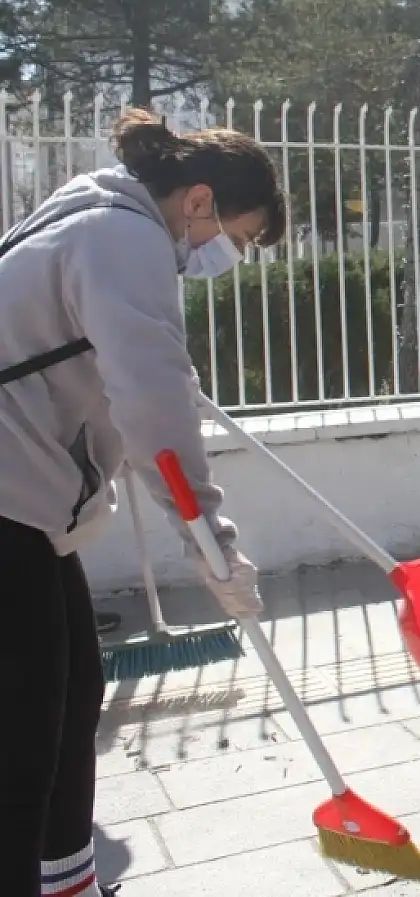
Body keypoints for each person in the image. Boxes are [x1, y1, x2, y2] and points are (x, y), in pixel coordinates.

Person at [0, 109, 280, 897]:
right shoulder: (126, 239)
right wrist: (211, 543)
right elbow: (151, 409)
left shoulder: (96, 213)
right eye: (234, 235)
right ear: (198, 201)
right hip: (5, 496)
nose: (221, 255)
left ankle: (67, 878)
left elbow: (127, 374)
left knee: (71, 691)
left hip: (24, 500)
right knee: (25, 721)